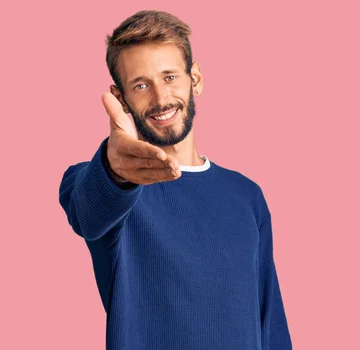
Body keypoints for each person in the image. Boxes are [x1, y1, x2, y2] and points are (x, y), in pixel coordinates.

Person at [58, 10, 292, 349]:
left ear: (194, 78)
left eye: (169, 77)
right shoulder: (111, 185)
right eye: (141, 85)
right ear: (121, 97)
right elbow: (88, 213)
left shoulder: (247, 196)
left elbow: (270, 321)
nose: (160, 98)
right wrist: (115, 170)